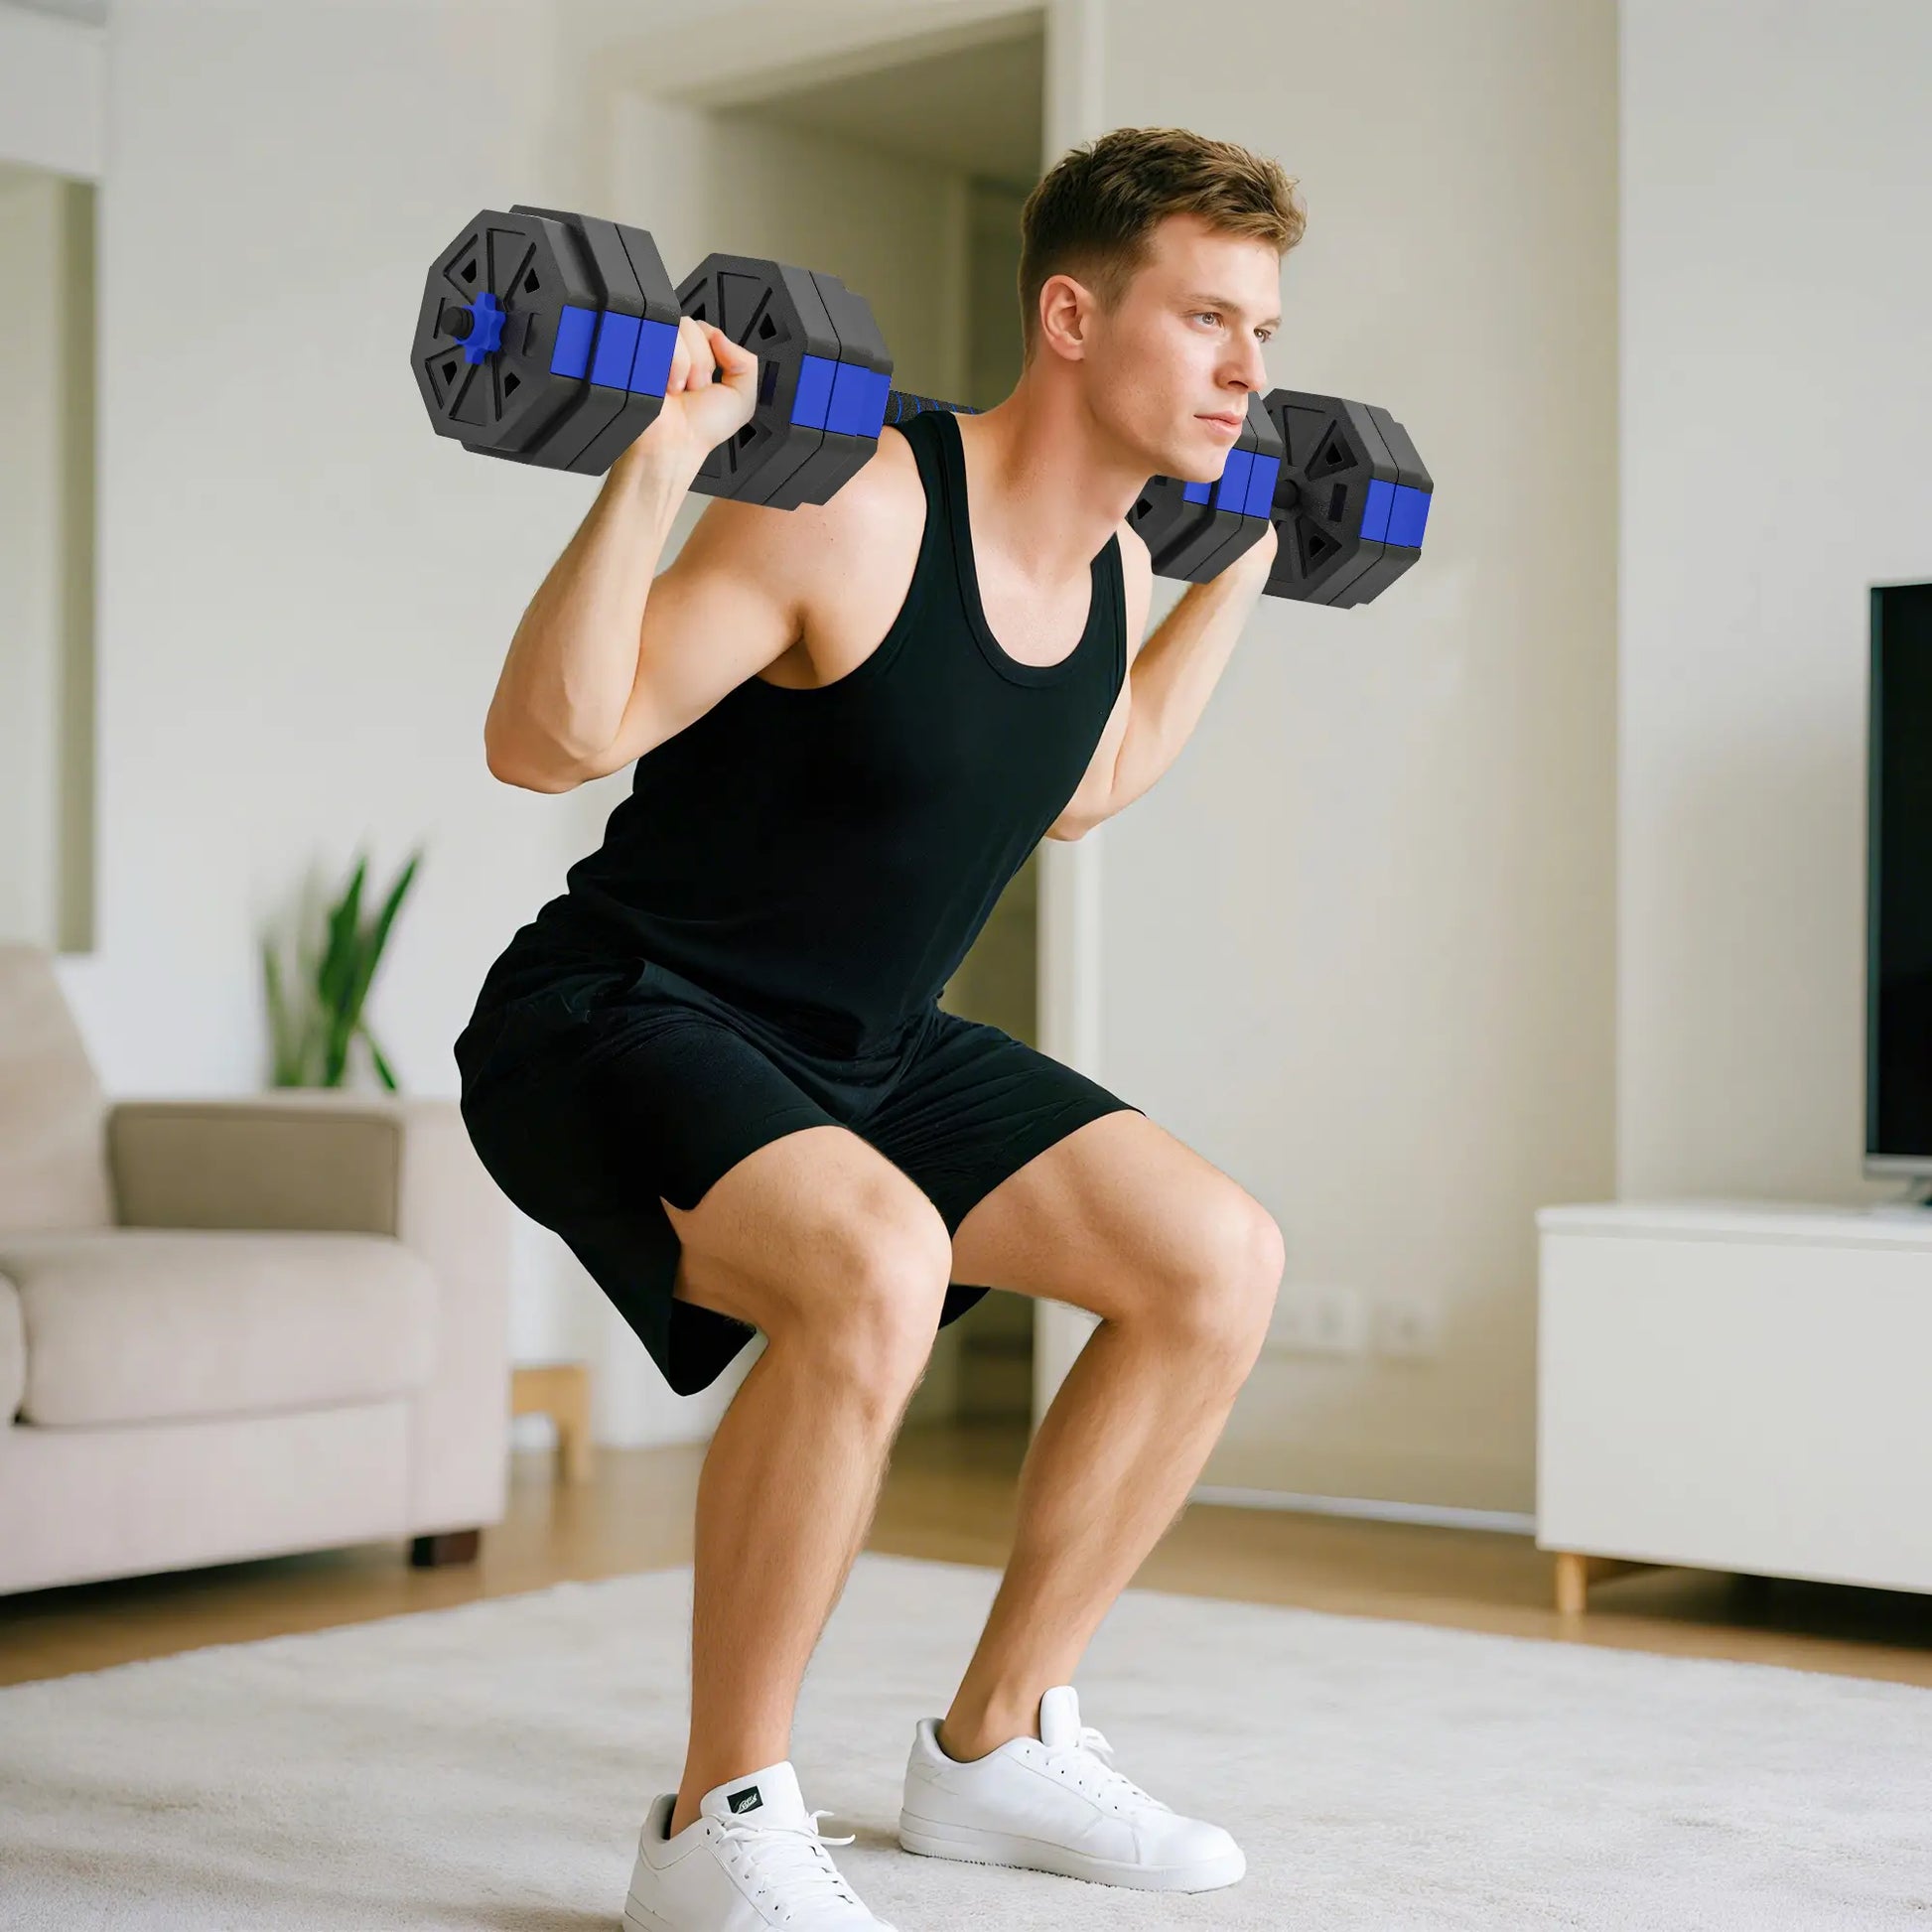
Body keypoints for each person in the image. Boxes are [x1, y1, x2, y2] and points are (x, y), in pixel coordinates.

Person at [456, 125, 1303, 1931]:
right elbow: (547, 738)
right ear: (1071, 317)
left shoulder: (1114, 573)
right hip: (621, 1007)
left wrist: (1241, 568)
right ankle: (716, 1816)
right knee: (877, 1260)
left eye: (1265, 330)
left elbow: (1092, 778)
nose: (1248, 366)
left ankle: (994, 1749)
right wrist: (659, 453)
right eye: (1209, 317)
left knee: (1213, 1258)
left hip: (860, 1040)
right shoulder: (850, 503)